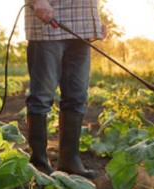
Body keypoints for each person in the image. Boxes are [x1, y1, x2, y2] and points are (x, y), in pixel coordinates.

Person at [25, 0, 106, 179]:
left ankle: (70, 161)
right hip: (48, 27)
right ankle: (38, 165)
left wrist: (94, 20)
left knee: (77, 97)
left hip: (81, 28)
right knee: (41, 98)